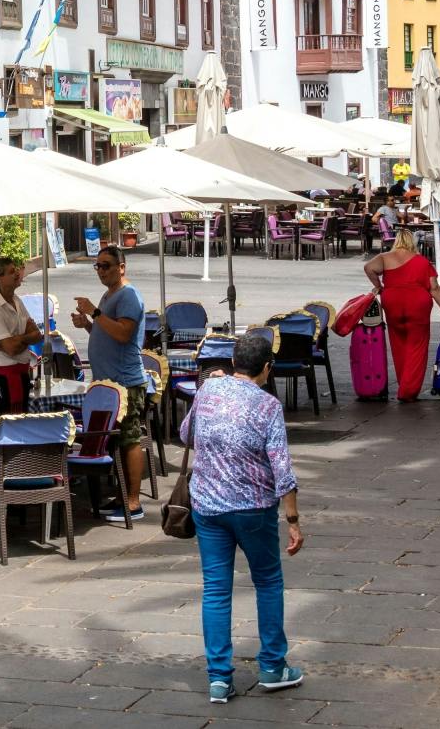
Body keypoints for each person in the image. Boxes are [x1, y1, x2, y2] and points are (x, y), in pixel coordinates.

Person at [178, 332, 304, 705]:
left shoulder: (208, 391)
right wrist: (293, 519)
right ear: (267, 368)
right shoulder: (267, 407)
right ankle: (272, 666)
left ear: (234, 363)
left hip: (209, 507)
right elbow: (282, 468)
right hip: (253, 508)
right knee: (267, 581)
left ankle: (219, 678)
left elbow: (186, 434)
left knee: (216, 589)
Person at [74, 246, 150, 524]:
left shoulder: (128, 295)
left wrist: (94, 312)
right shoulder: (111, 294)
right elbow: (107, 332)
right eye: (98, 266)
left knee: (129, 440)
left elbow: (123, 333)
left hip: (125, 382)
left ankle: (133, 501)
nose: (102, 271)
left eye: (106, 265)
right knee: (116, 441)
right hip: (109, 382)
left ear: (122, 266)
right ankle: (121, 497)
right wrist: (88, 324)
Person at [361, 228, 440, 402]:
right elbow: (434, 288)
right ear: (412, 242)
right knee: (417, 346)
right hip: (417, 304)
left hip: (392, 302)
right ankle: (407, 390)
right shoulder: (422, 261)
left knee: (398, 344)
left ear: (396, 241)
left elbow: (368, 268)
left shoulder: (384, 258)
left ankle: (404, 383)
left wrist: (379, 286)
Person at [0, 256, 41, 414]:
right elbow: (11, 349)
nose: (17, 274)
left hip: (22, 373)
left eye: (16, 270)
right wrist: (24, 338)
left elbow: (37, 334)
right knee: (11, 422)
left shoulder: (17, 301)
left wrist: (19, 338)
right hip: (7, 378)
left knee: (22, 418)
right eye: (11, 272)